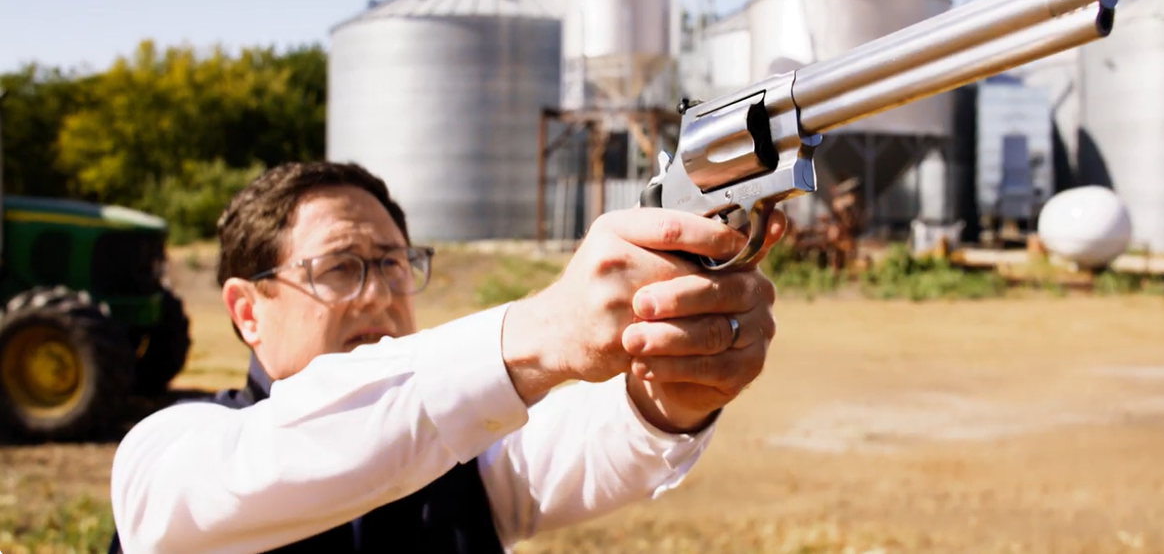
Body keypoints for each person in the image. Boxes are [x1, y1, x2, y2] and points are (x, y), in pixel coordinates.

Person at [109, 160, 785, 554]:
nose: (378, 295)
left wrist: (671, 396)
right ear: (246, 309)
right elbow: (283, 455)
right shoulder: (165, 456)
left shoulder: (460, 458)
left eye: (394, 264)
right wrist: (543, 328)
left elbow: (580, 446)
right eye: (341, 268)